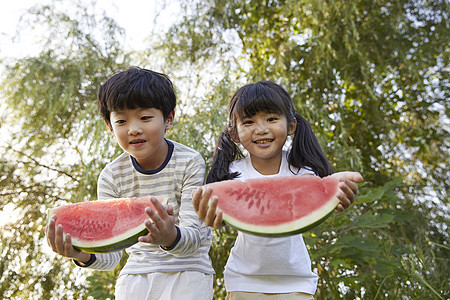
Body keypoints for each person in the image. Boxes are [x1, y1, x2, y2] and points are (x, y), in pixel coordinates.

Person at [45, 67, 214, 300]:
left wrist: (169, 237)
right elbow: (111, 257)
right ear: (109, 126)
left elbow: (195, 237)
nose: (134, 129)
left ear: (169, 119)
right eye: (122, 121)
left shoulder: (190, 162)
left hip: (188, 272)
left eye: (145, 117)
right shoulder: (111, 176)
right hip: (135, 277)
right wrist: (81, 254)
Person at [193, 81, 363, 299]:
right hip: (243, 281)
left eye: (271, 119)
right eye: (249, 122)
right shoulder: (233, 173)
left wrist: (336, 195)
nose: (261, 129)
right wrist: (209, 215)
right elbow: (215, 209)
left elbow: (319, 193)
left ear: (291, 125)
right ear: (234, 133)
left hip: (296, 283)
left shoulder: (302, 172)